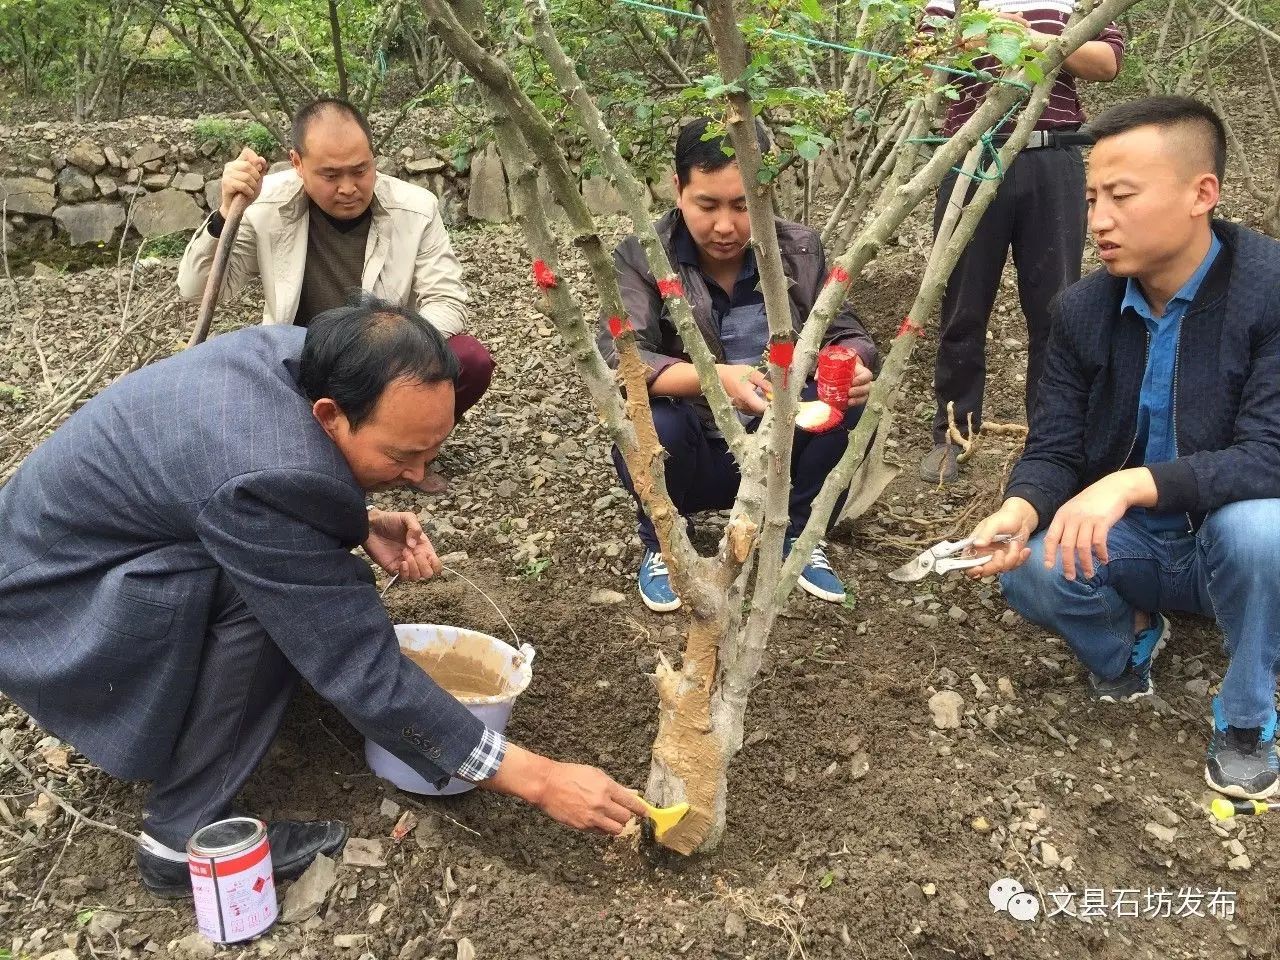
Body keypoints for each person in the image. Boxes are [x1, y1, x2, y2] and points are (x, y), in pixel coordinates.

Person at [0, 296, 647, 898]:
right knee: (268, 604)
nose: (420, 478)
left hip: (80, 553)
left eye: (435, 450)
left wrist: (358, 523)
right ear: (331, 416)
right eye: (403, 456)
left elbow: (238, 489)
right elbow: (356, 660)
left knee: (286, 585)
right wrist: (537, 778)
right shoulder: (263, 471)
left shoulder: (305, 357)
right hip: (56, 613)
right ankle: (180, 840)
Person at [965, 97, 1280, 799]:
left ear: (1203, 194)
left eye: (1122, 196)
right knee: (1032, 566)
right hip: (1139, 547)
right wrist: (1020, 506)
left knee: (1263, 532)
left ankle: (1248, 719)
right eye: (1092, 198)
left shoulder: (1269, 291)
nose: (1099, 220)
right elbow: (1054, 448)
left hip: (1232, 540)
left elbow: (1270, 456)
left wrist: (1133, 483)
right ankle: (1132, 637)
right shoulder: (1083, 310)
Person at [601, 117, 880, 612]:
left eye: (744, 204)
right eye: (707, 205)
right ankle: (665, 540)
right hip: (692, 449)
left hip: (780, 445)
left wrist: (854, 362)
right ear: (677, 189)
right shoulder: (645, 256)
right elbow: (622, 359)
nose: (725, 226)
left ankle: (798, 530)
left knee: (847, 404)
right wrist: (715, 381)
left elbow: (847, 331)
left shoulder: (798, 249)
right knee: (647, 421)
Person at [177, 96, 494, 493]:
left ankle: (409, 455)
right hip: (301, 362)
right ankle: (327, 461)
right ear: (297, 163)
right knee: (227, 385)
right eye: (330, 175)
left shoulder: (417, 208)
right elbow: (199, 289)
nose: (348, 188)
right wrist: (226, 213)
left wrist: (391, 350)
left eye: (361, 170)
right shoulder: (264, 204)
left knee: (470, 359)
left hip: (389, 366)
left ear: (374, 158)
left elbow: (447, 301)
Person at [918, 0, 1125, 483]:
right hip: (972, 155)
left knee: (1056, 308)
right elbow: (925, 66)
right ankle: (952, 435)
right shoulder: (953, 3)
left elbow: (1106, 64)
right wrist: (974, 38)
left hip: (1052, 158)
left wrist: (1033, 42)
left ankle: (1050, 444)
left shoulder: (1078, 3)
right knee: (962, 305)